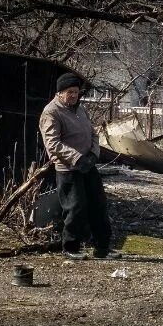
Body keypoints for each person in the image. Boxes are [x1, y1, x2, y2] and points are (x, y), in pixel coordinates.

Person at [39, 72, 119, 259]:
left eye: (76, 92)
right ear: (60, 93)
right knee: (75, 207)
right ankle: (71, 248)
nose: (74, 96)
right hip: (68, 168)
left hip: (88, 165)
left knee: (98, 204)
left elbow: (93, 133)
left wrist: (93, 154)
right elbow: (52, 143)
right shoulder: (51, 112)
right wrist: (76, 158)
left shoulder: (80, 110)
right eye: (70, 92)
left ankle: (102, 247)